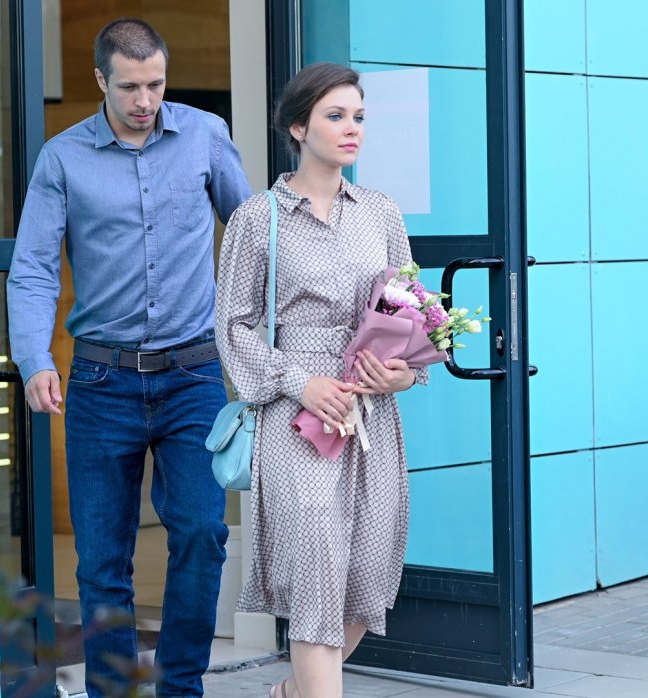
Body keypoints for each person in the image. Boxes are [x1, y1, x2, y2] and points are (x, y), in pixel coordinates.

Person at [7, 17, 252, 697]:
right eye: (130, 87)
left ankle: (180, 688)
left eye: (156, 84)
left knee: (202, 532)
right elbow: (32, 268)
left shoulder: (204, 135)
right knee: (101, 562)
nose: (146, 100)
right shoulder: (62, 158)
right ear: (101, 81)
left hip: (194, 374)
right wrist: (34, 359)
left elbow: (254, 234)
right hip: (99, 379)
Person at [214, 62, 425, 698]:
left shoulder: (381, 212)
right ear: (298, 127)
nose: (352, 127)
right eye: (335, 116)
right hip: (296, 421)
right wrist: (299, 382)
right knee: (315, 577)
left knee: (366, 579)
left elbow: (409, 313)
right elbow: (232, 325)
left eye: (358, 116)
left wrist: (402, 375)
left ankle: (290, 693)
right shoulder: (258, 218)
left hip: (370, 415)